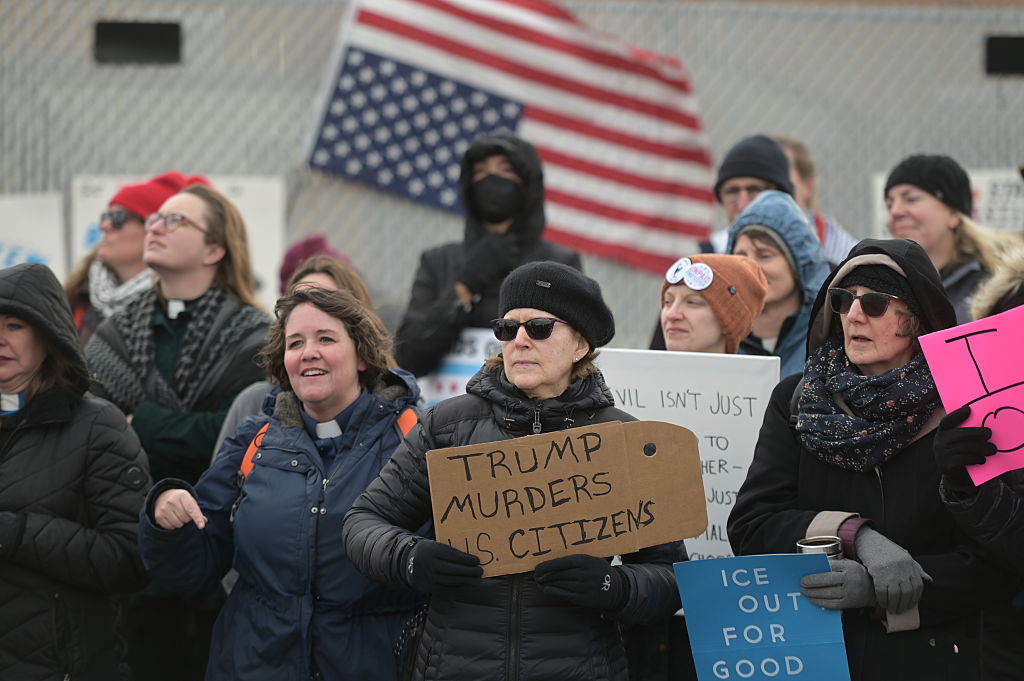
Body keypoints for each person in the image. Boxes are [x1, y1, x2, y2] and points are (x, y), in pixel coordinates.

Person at [344, 261, 686, 681]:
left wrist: (614, 587)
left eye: (539, 327)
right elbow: (364, 522)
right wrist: (411, 558)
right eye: (507, 328)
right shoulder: (446, 426)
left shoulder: (623, 439)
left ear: (580, 344)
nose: (520, 339)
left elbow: (670, 576)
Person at [728, 238, 1014, 680]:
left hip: (930, 659)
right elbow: (752, 525)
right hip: (815, 657)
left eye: (876, 303)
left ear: (916, 319)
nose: (855, 315)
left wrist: (884, 592)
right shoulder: (799, 400)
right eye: (843, 300)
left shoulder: (966, 411)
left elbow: (996, 562)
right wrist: (855, 537)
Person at [137, 286, 422, 681]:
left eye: (326, 339)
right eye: (295, 343)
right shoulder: (253, 440)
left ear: (363, 355)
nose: (309, 352)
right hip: (255, 664)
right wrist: (164, 516)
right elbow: (191, 566)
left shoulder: (415, 437)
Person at [85, 182, 270, 681]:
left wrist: (139, 422)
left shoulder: (255, 337)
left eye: (175, 220)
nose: (155, 226)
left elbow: (236, 433)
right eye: (155, 219)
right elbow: (99, 439)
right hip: (135, 556)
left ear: (214, 249)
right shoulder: (110, 338)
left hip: (223, 557)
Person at [0, 263, 151, 680]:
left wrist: (14, 534)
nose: (0, 339)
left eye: (15, 325)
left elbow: (131, 558)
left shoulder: (97, 426)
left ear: (47, 336)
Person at [394, 130, 582, 377]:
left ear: (528, 185)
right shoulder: (438, 262)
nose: (492, 178)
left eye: (505, 171)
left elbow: (571, 357)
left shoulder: (559, 263)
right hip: (446, 410)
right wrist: (463, 287)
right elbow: (408, 358)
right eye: (481, 172)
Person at [213, 253, 395, 460]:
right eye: (296, 341)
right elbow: (215, 490)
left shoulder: (404, 423)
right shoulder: (253, 409)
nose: (309, 309)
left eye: (325, 337)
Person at [650, 134, 801, 350]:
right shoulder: (697, 269)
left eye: (754, 190)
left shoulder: (822, 279)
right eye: (731, 191)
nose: (742, 203)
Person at [65, 171, 209, 345]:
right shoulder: (78, 300)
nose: (104, 226)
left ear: (154, 229)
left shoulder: (182, 307)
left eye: (118, 218)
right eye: (105, 216)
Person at [884, 154, 1004, 324]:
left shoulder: (995, 288)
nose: (895, 212)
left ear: (954, 214)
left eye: (911, 199)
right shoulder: (883, 285)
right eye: (889, 205)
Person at [726, 190, 830, 377]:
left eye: (765, 255)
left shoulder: (829, 343)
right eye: (740, 256)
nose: (750, 267)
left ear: (800, 263)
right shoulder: (715, 337)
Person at [772, 135, 858, 267]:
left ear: (808, 186)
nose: (768, 198)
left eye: (781, 186)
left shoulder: (842, 250)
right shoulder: (731, 242)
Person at [660, 254, 767, 354]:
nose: (671, 314)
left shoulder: (765, 374)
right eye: (668, 302)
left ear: (730, 320)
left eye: (692, 302)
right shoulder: (645, 372)